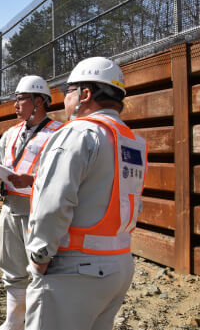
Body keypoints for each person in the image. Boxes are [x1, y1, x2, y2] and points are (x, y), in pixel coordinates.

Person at [25, 57, 147, 330]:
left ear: (86, 94)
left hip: (74, 269)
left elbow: (53, 203)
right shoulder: (130, 140)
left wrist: (39, 257)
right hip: (119, 264)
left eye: (68, 90)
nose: (65, 98)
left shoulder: (79, 132)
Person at [0, 75, 62, 330]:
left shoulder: (58, 133)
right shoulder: (11, 133)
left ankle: (37, 323)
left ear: (38, 101)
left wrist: (32, 179)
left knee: (40, 270)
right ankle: (14, 322)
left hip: (38, 211)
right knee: (12, 266)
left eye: (20, 100)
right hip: (10, 208)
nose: (15, 106)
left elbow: (65, 175)